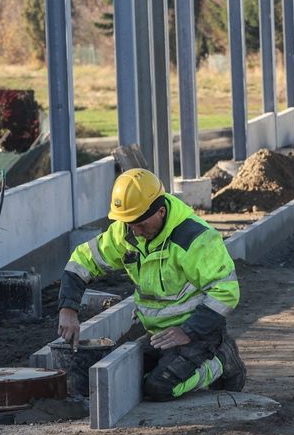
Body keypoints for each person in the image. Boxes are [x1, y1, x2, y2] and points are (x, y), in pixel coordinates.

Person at [57, 168, 246, 401]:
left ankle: (221, 361)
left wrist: (188, 332)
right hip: (158, 334)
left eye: (140, 224)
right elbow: (81, 262)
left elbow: (225, 292)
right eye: (128, 223)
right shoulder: (127, 232)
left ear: (161, 211)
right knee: (117, 379)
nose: (135, 231)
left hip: (199, 333)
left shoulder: (195, 239)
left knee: (159, 388)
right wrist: (68, 309)